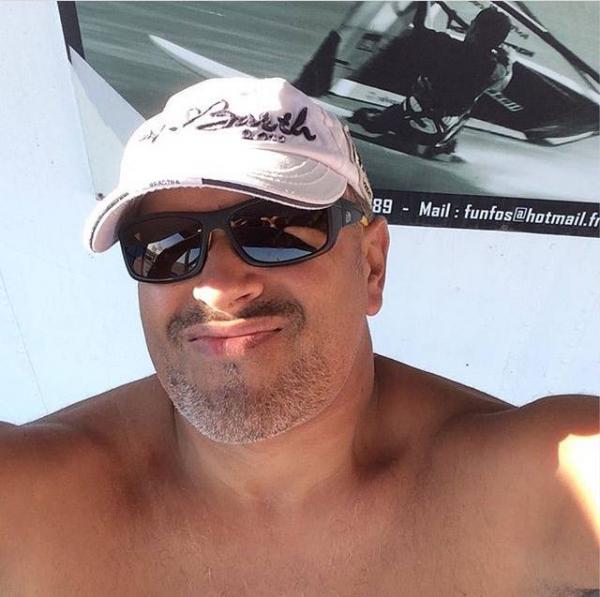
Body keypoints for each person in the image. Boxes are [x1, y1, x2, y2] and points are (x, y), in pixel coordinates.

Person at [1, 77, 598, 596]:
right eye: (166, 243)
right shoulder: (28, 499)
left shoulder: (539, 482)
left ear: (371, 266)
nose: (218, 287)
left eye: (275, 229)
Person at [352, 5, 513, 155]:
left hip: (408, 120)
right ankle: (440, 142)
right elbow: (501, 83)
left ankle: (385, 124)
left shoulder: (445, 45)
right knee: (465, 107)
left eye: (473, 22)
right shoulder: (496, 69)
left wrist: (425, 3)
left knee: (363, 117)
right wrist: (506, 59)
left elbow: (420, 26)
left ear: (475, 28)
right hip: (439, 132)